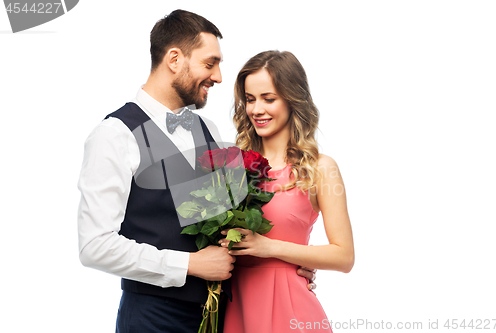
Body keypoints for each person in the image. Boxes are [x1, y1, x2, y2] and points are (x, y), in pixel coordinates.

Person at [77, 10, 315, 332]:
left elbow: (225, 227)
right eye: (210, 63)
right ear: (174, 59)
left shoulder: (210, 130)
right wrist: (189, 265)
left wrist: (285, 266)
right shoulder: (114, 134)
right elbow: (95, 246)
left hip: (218, 314)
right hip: (152, 317)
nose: (218, 77)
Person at [219, 50, 355, 332]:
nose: (257, 109)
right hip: (233, 307)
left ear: (293, 100)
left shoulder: (320, 168)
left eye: (269, 99)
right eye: (250, 99)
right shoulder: (230, 164)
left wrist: (271, 248)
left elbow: (344, 257)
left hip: (291, 311)